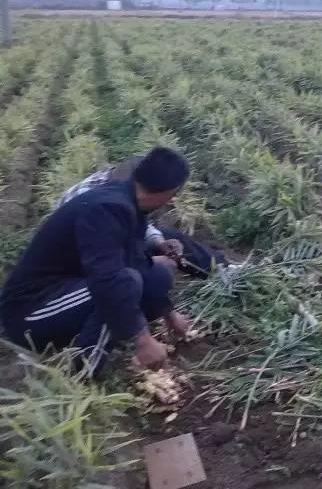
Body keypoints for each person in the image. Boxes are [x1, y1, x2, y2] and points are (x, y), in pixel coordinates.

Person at [0, 147, 194, 377]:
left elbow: (138, 263)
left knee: (156, 276)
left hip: (64, 294)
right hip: (28, 315)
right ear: (170, 192)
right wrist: (142, 340)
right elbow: (108, 281)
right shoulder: (106, 208)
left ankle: (97, 338)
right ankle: (83, 373)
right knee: (122, 285)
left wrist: (169, 315)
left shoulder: (128, 203)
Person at [54, 154, 233, 280]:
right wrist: (149, 263)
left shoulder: (126, 189)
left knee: (169, 238)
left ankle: (222, 270)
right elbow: (99, 258)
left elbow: (140, 222)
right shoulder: (92, 200)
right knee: (152, 276)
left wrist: (159, 242)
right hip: (78, 267)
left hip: (109, 244)